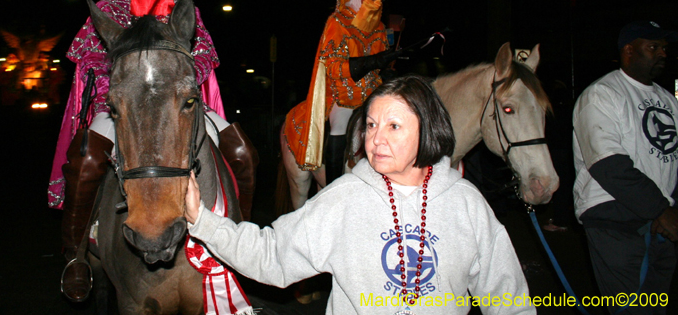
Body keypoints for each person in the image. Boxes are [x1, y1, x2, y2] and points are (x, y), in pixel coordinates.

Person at [48, 0, 258, 302]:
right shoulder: (110, 7)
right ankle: (75, 254)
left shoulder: (187, 11)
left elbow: (203, 67)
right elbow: (90, 65)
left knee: (241, 150)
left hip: (178, 107)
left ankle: (244, 233)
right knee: (86, 159)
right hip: (124, 106)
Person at [186, 74, 533, 314]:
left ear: (428, 129)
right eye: (370, 125)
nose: (375, 139)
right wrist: (202, 219)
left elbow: (508, 298)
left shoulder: (466, 203)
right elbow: (271, 255)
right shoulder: (346, 197)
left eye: (393, 126)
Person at [285, 0, 406, 186]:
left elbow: (380, 64)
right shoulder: (338, 22)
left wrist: (389, 65)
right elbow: (334, 66)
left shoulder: (377, 26)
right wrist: (374, 61)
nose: (377, 3)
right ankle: (335, 185)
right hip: (342, 93)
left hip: (370, 90)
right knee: (340, 121)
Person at [573, 20, 678, 313]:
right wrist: (661, 209)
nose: (662, 54)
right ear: (628, 51)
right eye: (653, 47)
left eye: (665, 48)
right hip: (615, 220)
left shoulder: (667, 99)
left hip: (659, 222)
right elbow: (608, 164)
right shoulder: (602, 94)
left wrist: (669, 209)